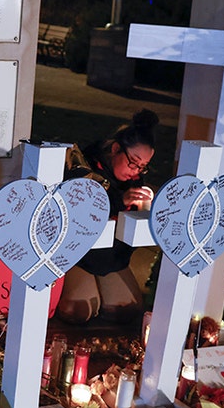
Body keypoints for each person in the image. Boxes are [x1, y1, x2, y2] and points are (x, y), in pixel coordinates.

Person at [55, 109, 158, 324]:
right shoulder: (84, 167)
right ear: (116, 149)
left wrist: (145, 213)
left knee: (126, 311)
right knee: (78, 310)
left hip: (111, 258)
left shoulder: (134, 181)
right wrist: (119, 202)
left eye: (143, 167)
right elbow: (80, 214)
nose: (136, 171)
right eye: (133, 162)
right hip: (79, 256)